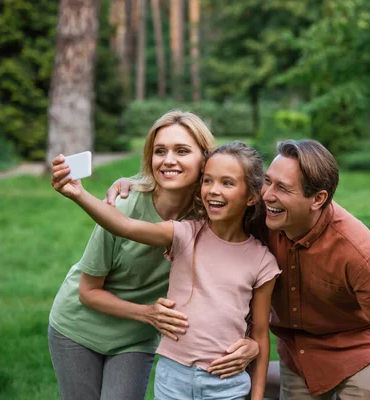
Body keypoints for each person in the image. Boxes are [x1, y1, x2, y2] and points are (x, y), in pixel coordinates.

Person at [105, 139, 370, 399]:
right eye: (267, 182)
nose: (268, 195)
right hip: (298, 354)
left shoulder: (357, 251)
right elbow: (220, 178)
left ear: (318, 198)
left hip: (357, 354)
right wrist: (141, 184)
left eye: (282, 188)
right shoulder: (263, 216)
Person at [48, 111, 259, 400]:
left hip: (136, 336)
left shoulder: (211, 214)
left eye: (182, 150)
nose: (168, 160)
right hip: (78, 326)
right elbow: (87, 292)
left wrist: (253, 342)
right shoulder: (122, 204)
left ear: (205, 159)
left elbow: (240, 277)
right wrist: (147, 313)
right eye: (160, 151)